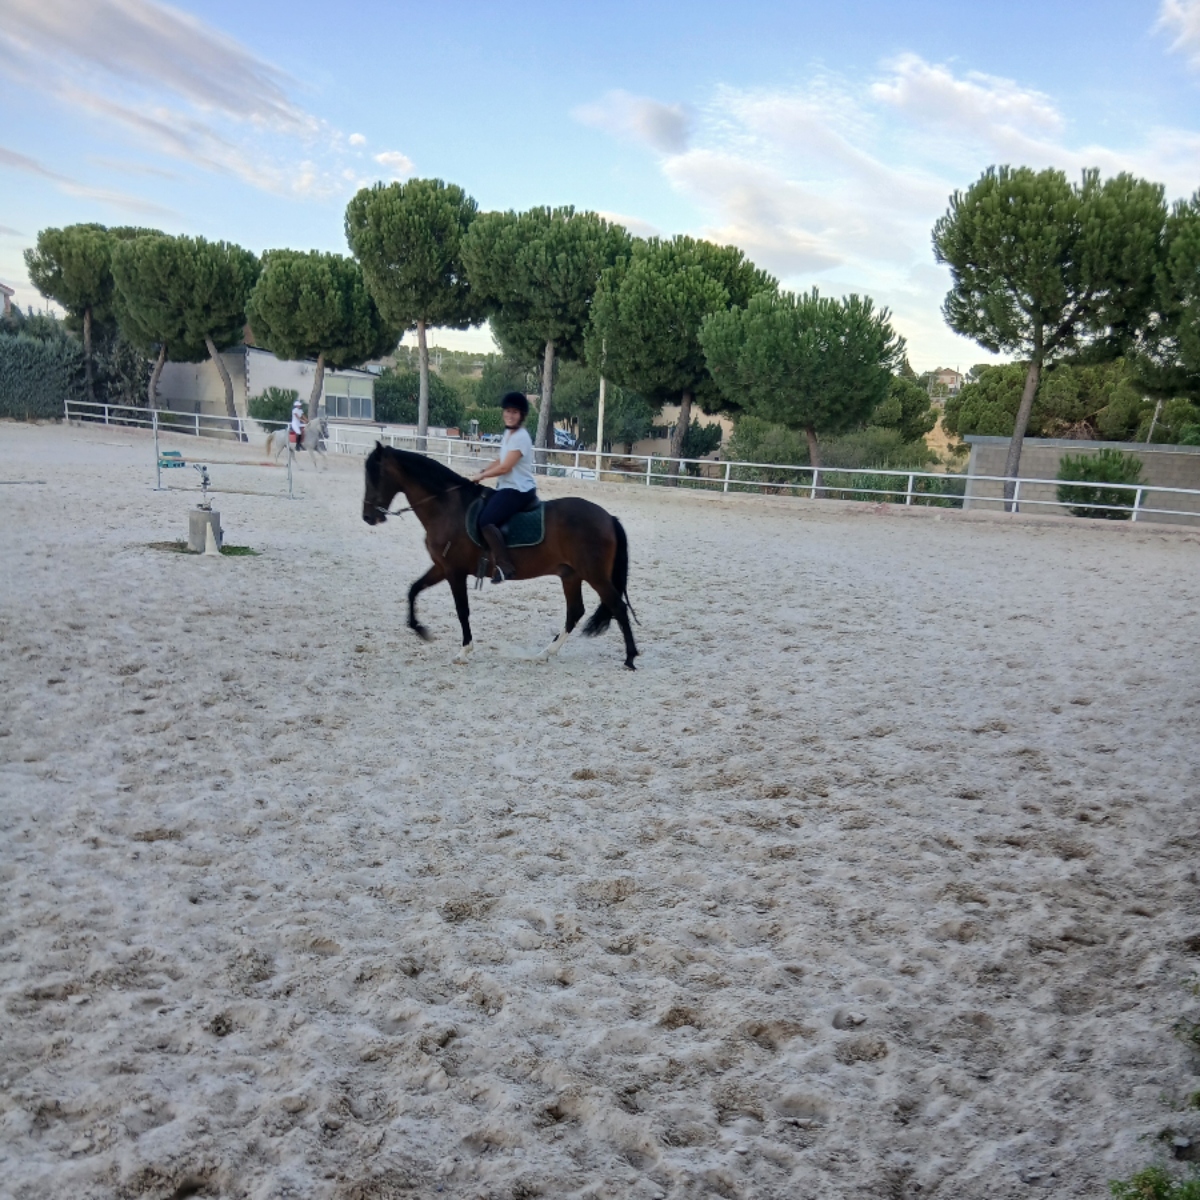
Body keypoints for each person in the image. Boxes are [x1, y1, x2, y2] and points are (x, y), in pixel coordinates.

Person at [470, 392, 538, 582]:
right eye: (507, 411)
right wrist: (483, 470)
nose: (510, 415)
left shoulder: (521, 437)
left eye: (514, 412)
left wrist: (483, 475)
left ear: (521, 415)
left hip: (518, 490)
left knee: (486, 520)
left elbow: (506, 467)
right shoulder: (508, 433)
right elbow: (501, 459)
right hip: (506, 486)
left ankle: (504, 565)